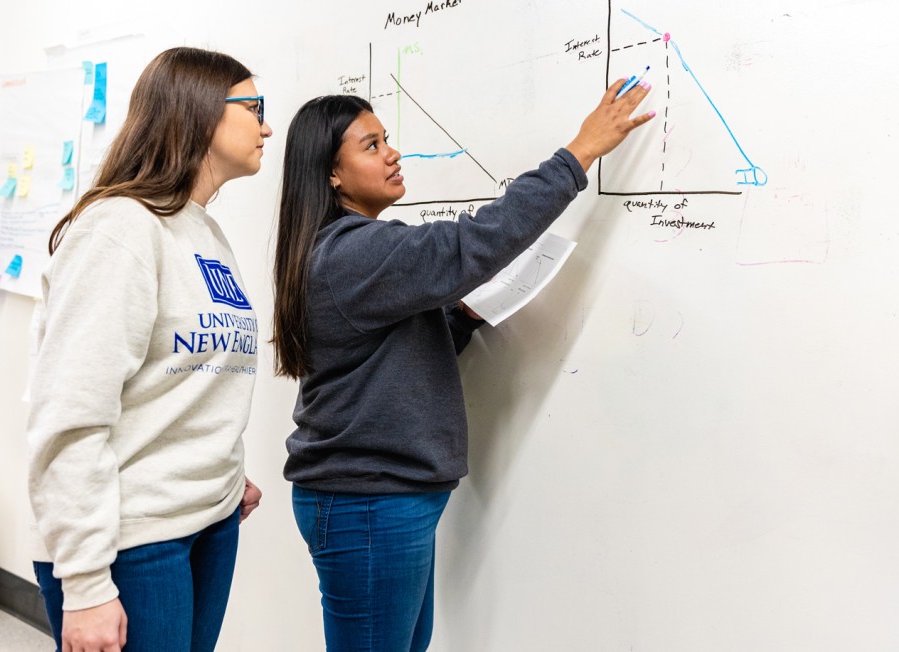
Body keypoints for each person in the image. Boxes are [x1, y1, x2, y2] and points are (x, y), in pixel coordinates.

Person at [271, 79, 654, 651]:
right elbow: (474, 242)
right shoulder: (353, 251)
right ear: (331, 173)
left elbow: (388, 360)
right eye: (371, 146)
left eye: (386, 140)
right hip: (368, 502)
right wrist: (580, 153)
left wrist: (462, 317)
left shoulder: (349, 250)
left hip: (384, 498)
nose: (392, 153)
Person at [28, 46, 272, 652]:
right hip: (129, 537)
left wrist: (220, 468)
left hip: (208, 519)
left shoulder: (202, 231)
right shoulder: (120, 228)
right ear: (200, 113)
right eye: (255, 107)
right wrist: (85, 585)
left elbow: (195, 373)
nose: (267, 125)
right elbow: (69, 414)